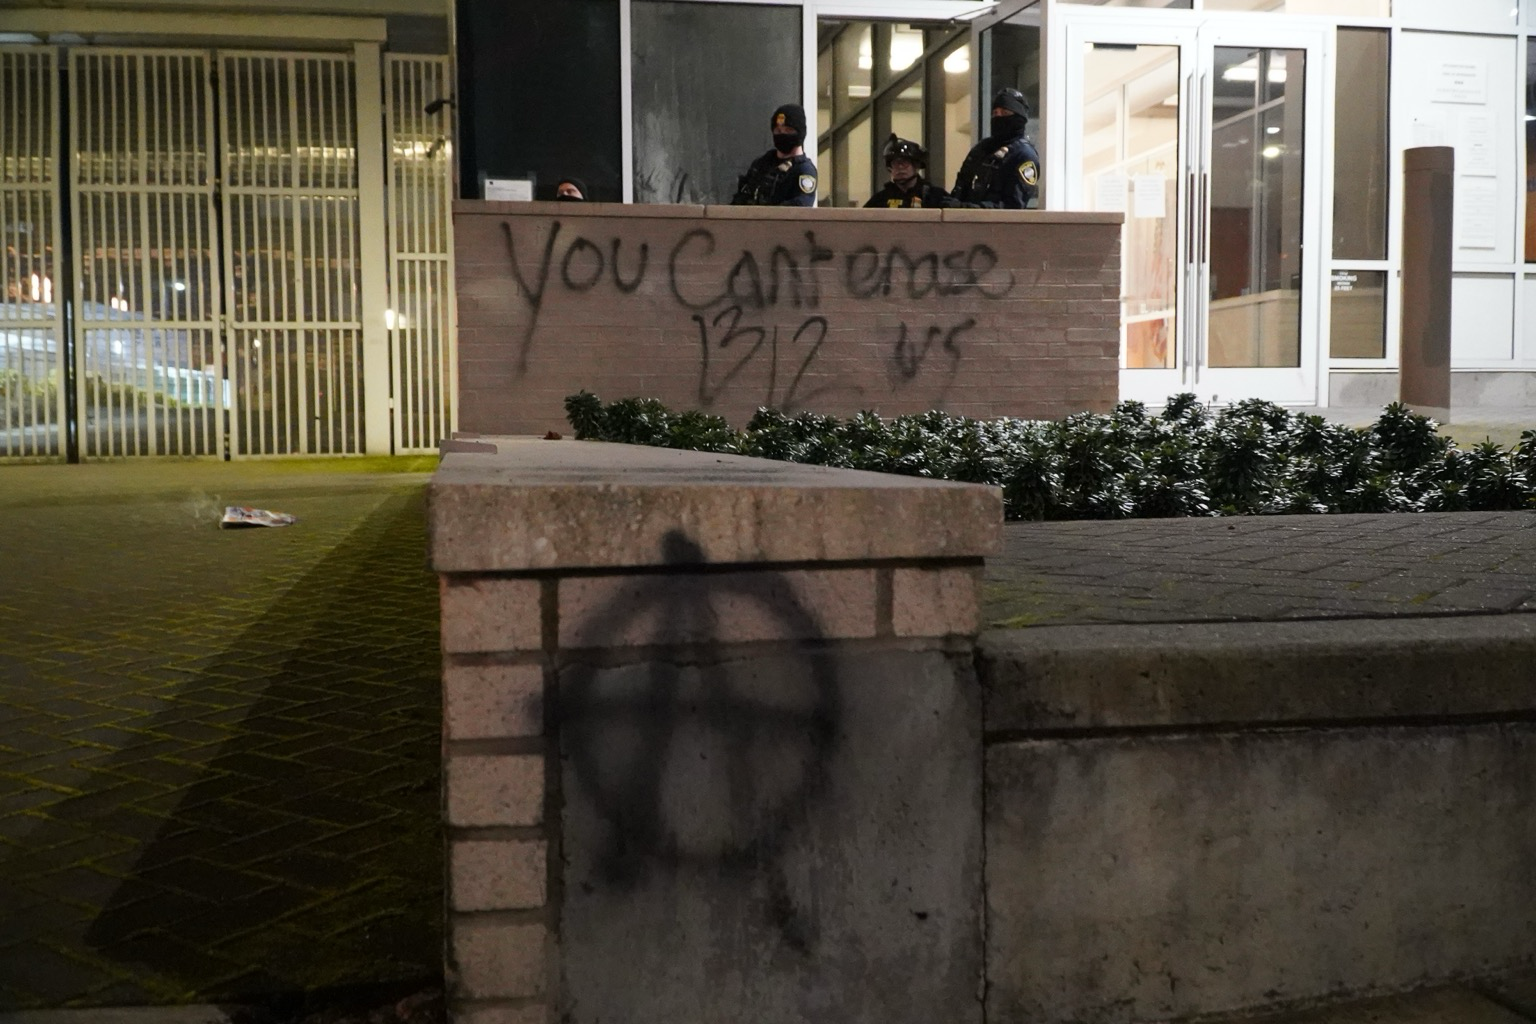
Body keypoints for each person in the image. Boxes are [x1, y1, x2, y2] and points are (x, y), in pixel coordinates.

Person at [951, 87, 1040, 209]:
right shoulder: (982, 148)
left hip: (993, 221)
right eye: (995, 113)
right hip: (962, 219)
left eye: (1005, 113)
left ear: (1019, 118)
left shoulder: (1024, 156)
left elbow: (1013, 206)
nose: (999, 118)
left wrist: (967, 208)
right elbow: (960, 189)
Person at [731, 104, 817, 207]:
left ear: (800, 133)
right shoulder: (761, 164)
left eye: (788, 130)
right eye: (778, 131)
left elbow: (801, 206)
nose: (782, 135)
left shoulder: (804, 170)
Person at [864, 134, 953, 209]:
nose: (900, 167)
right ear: (890, 167)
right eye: (895, 163)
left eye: (905, 162)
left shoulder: (935, 196)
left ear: (916, 165)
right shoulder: (880, 199)